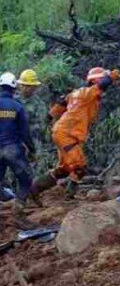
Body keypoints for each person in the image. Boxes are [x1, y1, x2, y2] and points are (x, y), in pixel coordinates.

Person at [30, 67, 119, 201]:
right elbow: (104, 83)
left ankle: (34, 189)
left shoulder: (77, 93)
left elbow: (61, 103)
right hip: (67, 134)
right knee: (79, 166)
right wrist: (114, 75)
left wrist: (49, 117)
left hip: (63, 132)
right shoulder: (89, 93)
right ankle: (69, 198)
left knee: (64, 169)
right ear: (95, 80)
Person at [0, 73, 36, 231]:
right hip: (12, 150)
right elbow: (25, 133)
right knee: (26, 180)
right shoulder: (18, 107)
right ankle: (17, 214)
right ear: (14, 88)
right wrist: (32, 150)